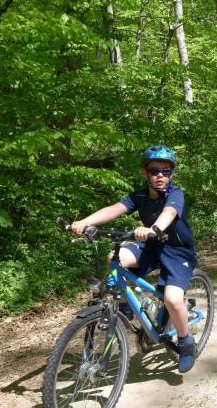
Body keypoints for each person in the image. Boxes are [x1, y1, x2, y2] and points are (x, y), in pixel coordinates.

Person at [70, 146, 200, 373]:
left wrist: (153, 228)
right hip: (150, 245)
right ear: (144, 173)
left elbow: (169, 213)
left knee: (172, 299)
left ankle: (185, 342)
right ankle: (125, 306)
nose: (161, 176)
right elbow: (115, 209)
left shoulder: (175, 194)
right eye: (155, 171)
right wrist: (86, 222)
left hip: (177, 250)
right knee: (115, 257)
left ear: (172, 173)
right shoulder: (138, 196)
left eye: (166, 171)